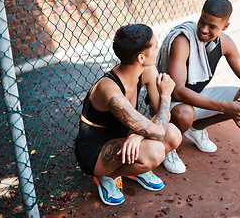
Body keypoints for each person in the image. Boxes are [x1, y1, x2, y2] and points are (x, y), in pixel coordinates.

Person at [75, 24, 182, 205]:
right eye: (155, 46)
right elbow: (157, 131)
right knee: (155, 152)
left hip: (125, 135)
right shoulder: (110, 90)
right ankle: (107, 176)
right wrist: (166, 95)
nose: (158, 48)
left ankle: (134, 168)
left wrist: (137, 136)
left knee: (174, 134)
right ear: (141, 57)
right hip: (95, 149)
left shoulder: (146, 70)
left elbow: (163, 120)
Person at [157, 0, 240, 174]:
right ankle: (168, 146)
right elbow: (179, 91)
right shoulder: (183, 40)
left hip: (197, 96)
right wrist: (226, 107)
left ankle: (197, 129)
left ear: (225, 27)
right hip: (168, 103)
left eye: (212, 26)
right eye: (201, 21)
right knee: (185, 113)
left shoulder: (225, 42)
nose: (204, 29)